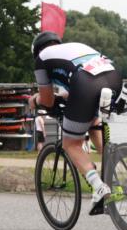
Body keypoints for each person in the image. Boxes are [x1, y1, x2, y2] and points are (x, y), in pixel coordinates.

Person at [29, 32, 121, 215]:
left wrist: (35, 100)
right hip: (114, 78)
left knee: (71, 143)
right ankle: (116, 181)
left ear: (37, 50)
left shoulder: (41, 59)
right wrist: (64, 96)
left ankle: (99, 187)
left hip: (86, 84)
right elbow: (83, 81)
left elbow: (47, 100)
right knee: (93, 121)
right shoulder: (74, 47)